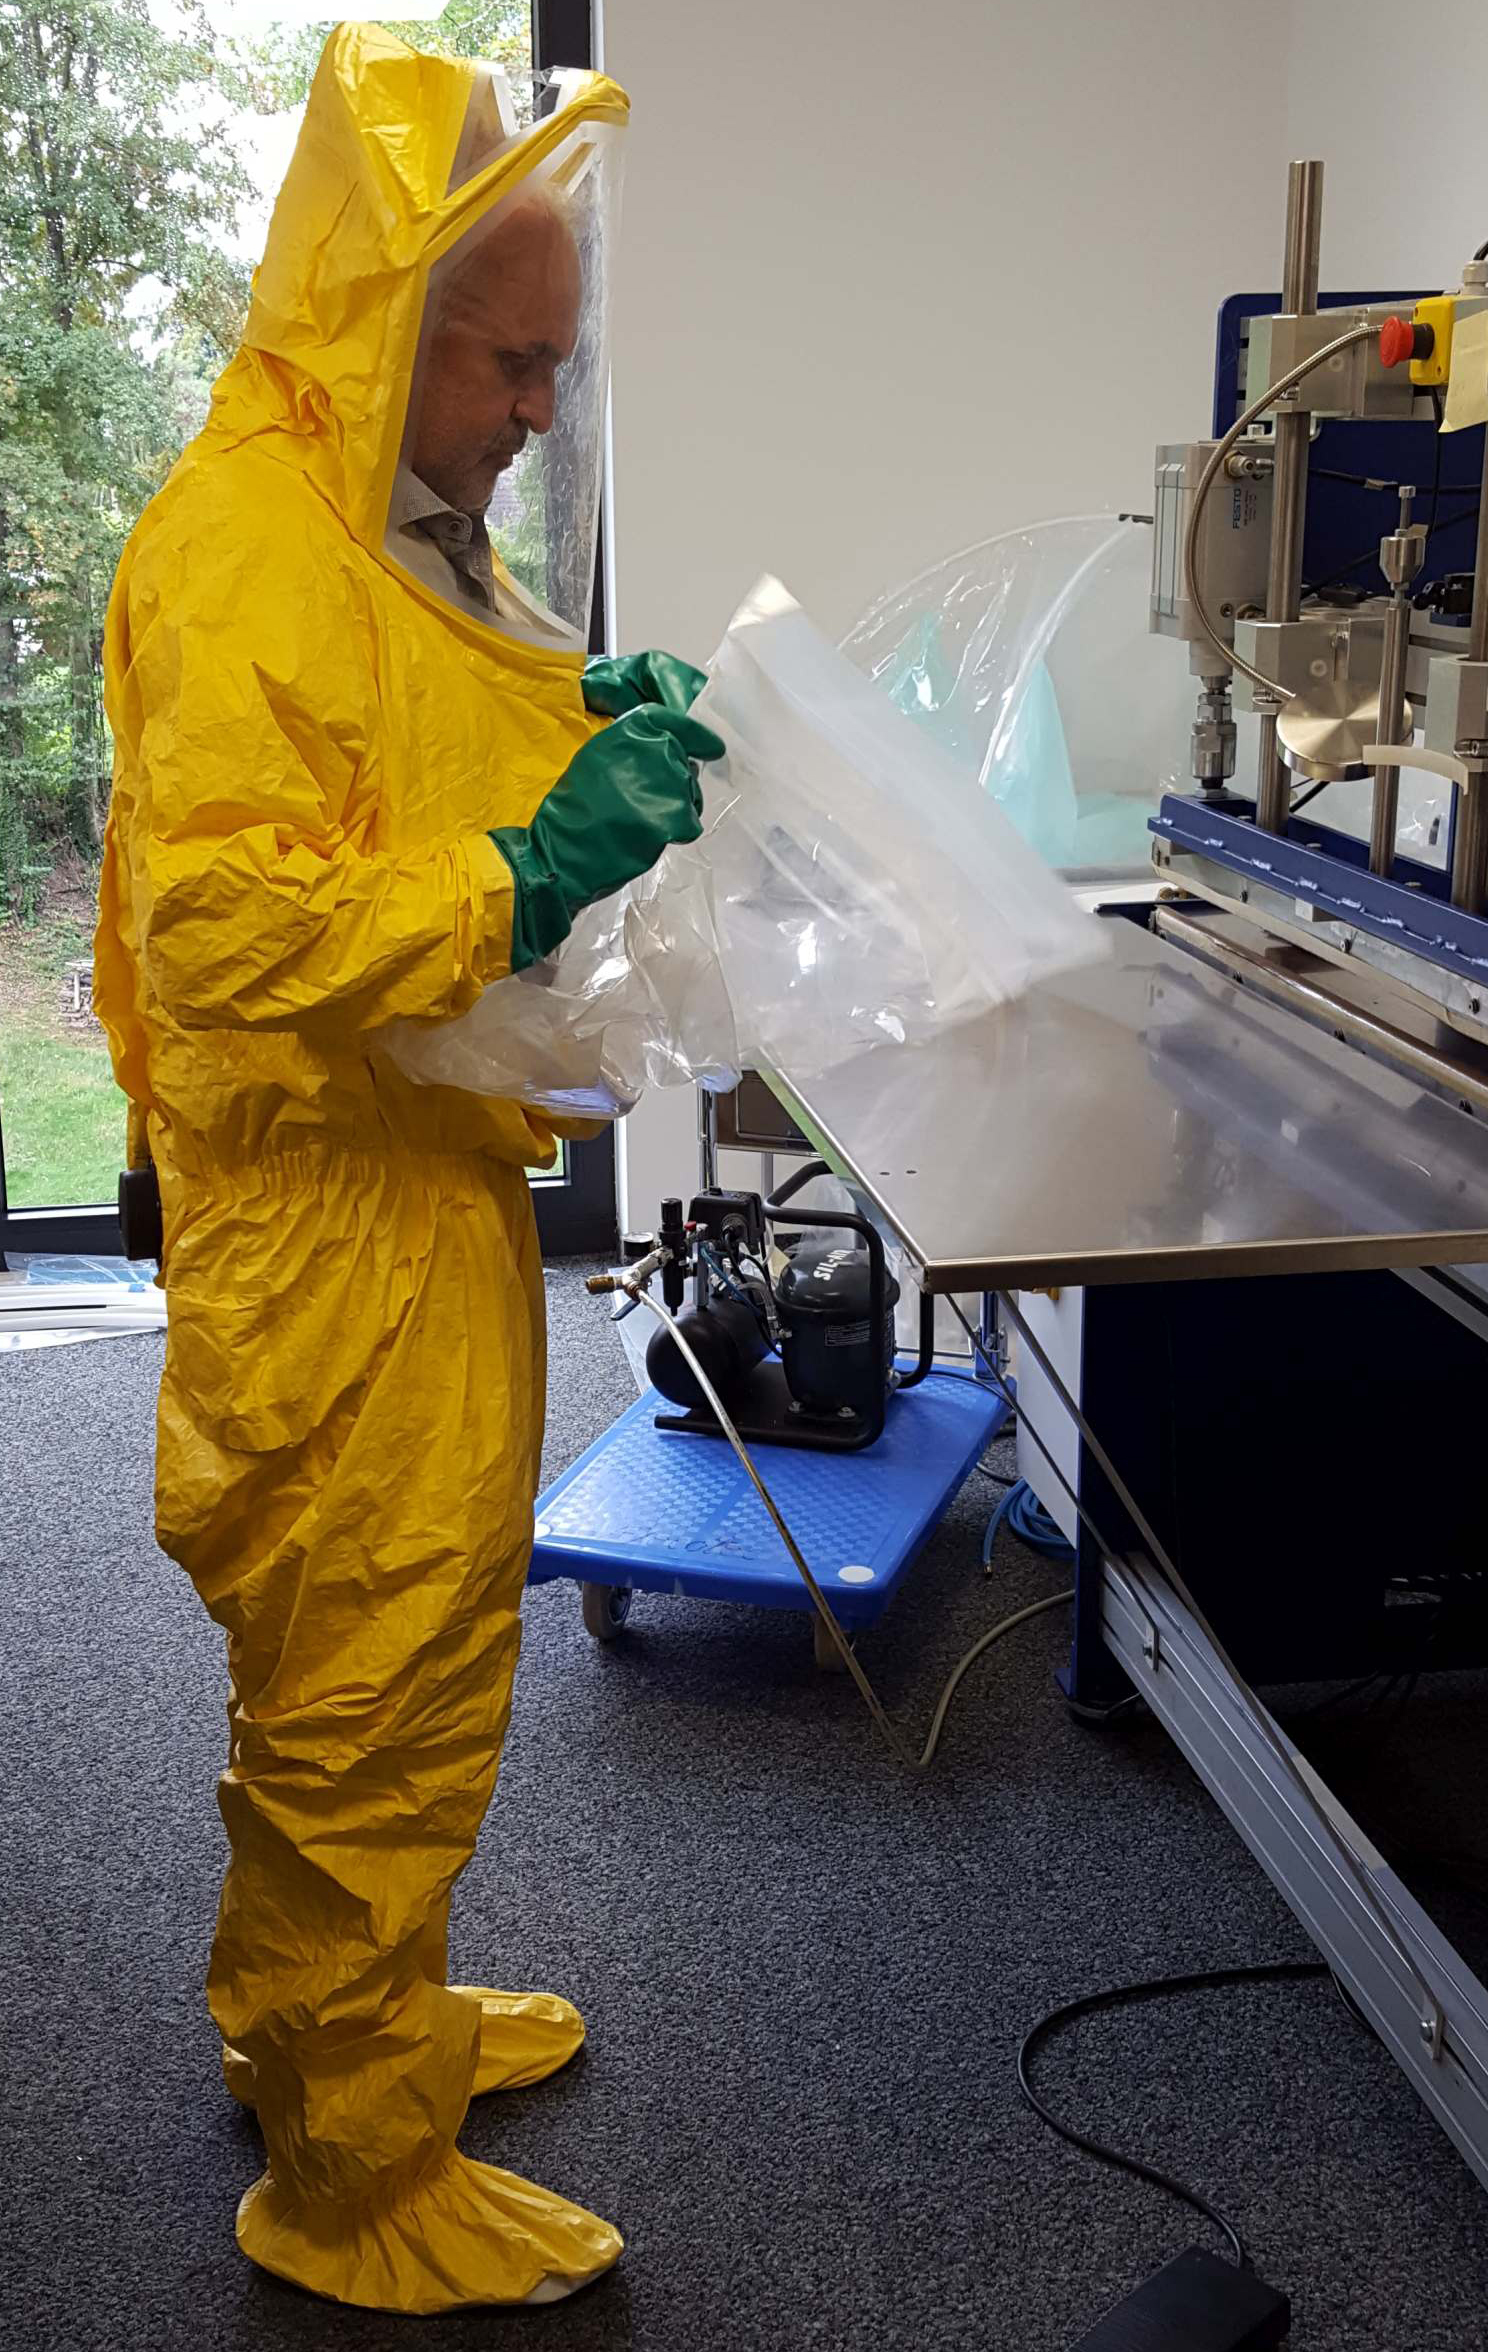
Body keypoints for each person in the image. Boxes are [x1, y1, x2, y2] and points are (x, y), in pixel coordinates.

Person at [93, 24, 716, 2316]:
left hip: (408, 1174)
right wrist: (528, 869)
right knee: (363, 1685)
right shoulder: (248, 546)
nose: (538, 408)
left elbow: (401, 731)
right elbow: (224, 922)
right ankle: (348, 2177)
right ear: (389, 329)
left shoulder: (376, 516)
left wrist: (568, 713)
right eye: (512, 364)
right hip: (328, 1217)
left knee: (415, 1657)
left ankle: (352, 2023)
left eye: (557, 364)